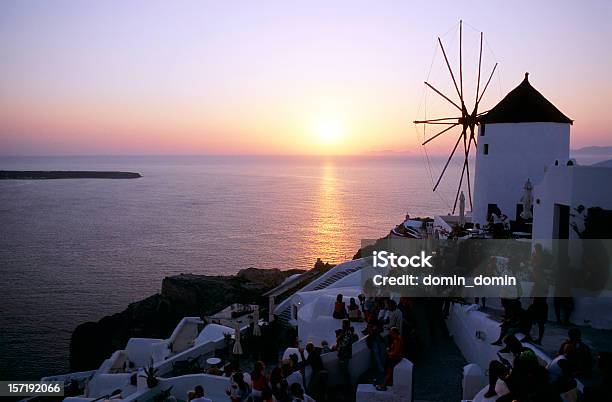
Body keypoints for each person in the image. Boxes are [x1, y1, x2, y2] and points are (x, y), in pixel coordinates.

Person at [376, 327, 404, 391]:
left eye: (392, 333)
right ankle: (384, 384)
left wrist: (388, 353)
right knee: (388, 372)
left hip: (395, 359)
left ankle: (383, 386)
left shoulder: (398, 341)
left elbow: (395, 352)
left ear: (395, 333)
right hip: (394, 358)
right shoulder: (396, 339)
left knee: (389, 372)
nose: (390, 334)